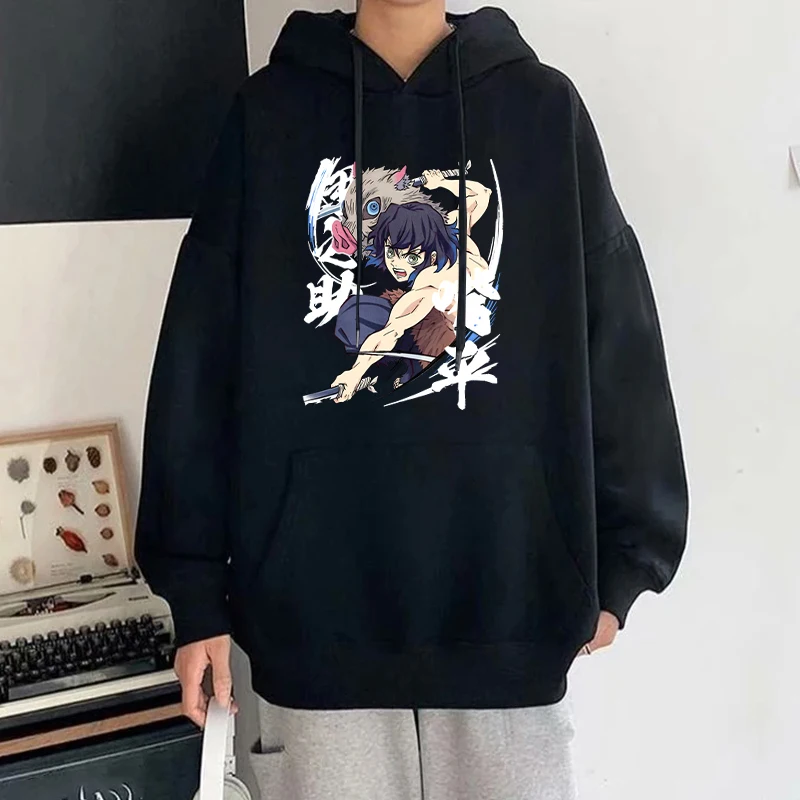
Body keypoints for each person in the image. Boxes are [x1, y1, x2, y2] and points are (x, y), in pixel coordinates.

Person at [135, 2, 689, 798]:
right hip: (312, 632)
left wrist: (626, 564)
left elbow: (621, 346)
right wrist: (194, 596)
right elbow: (198, 360)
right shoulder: (267, 116)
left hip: (511, 617)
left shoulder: (543, 111)